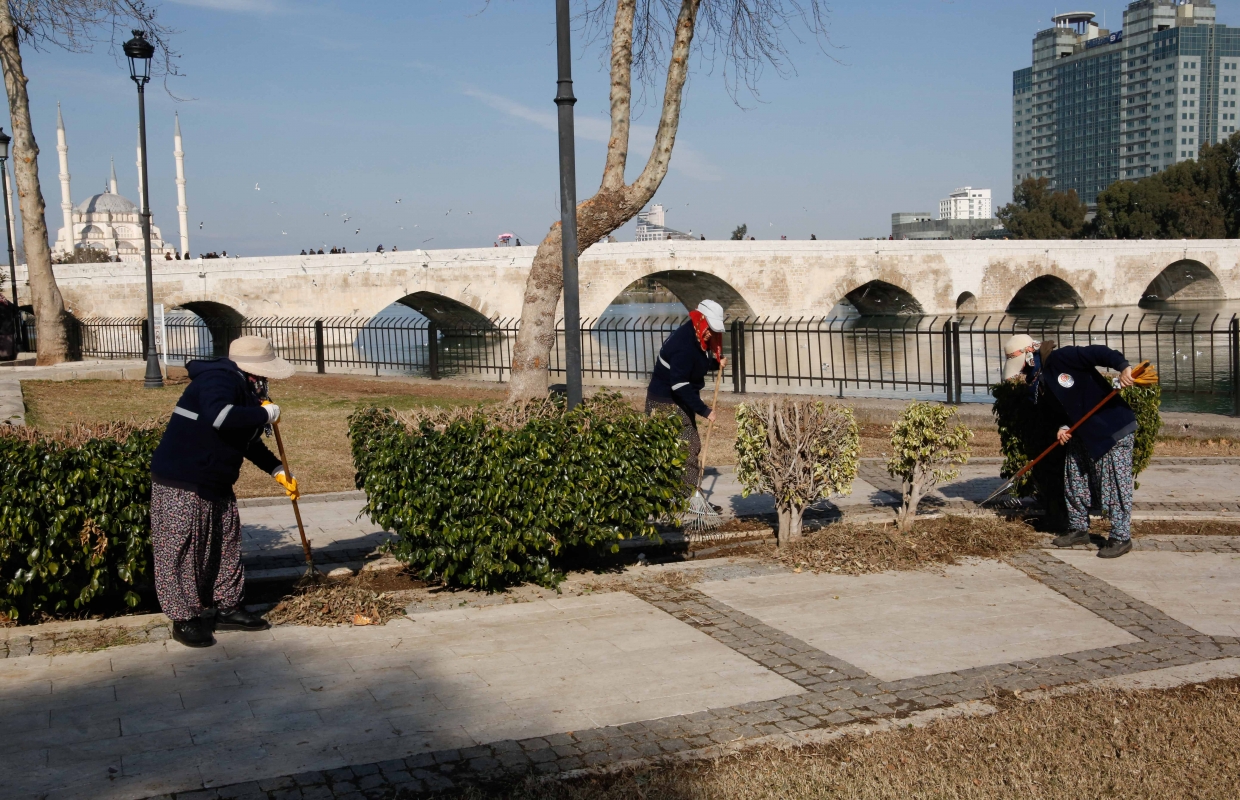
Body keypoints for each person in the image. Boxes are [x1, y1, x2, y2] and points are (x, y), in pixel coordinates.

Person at [149, 336, 300, 647]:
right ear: (251, 369)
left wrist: (277, 470)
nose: (268, 379)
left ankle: (227, 606)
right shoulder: (217, 380)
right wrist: (264, 415)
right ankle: (184, 619)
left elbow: (246, 439)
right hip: (183, 478)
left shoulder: (245, 387)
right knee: (182, 547)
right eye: (266, 373)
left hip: (216, 478)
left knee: (225, 542)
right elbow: (221, 417)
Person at [1003, 334, 1137, 558]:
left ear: (1030, 356)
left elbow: (1101, 353)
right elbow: (1063, 407)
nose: (1021, 371)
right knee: (1075, 479)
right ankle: (1078, 528)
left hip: (1111, 428)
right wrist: (1063, 426)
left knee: (1114, 484)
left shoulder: (1063, 358)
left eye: (1021, 365)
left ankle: (1121, 537)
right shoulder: (1038, 382)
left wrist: (1123, 367)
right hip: (1081, 433)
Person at [647, 300, 727, 498]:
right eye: (710, 328)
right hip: (665, 401)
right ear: (700, 321)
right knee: (687, 445)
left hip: (676, 399)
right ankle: (688, 497)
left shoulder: (696, 336)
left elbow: (695, 364)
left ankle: (674, 494)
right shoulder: (683, 344)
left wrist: (715, 364)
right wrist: (704, 410)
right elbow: (679, 384)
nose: (712, 334)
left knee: (683, 446)